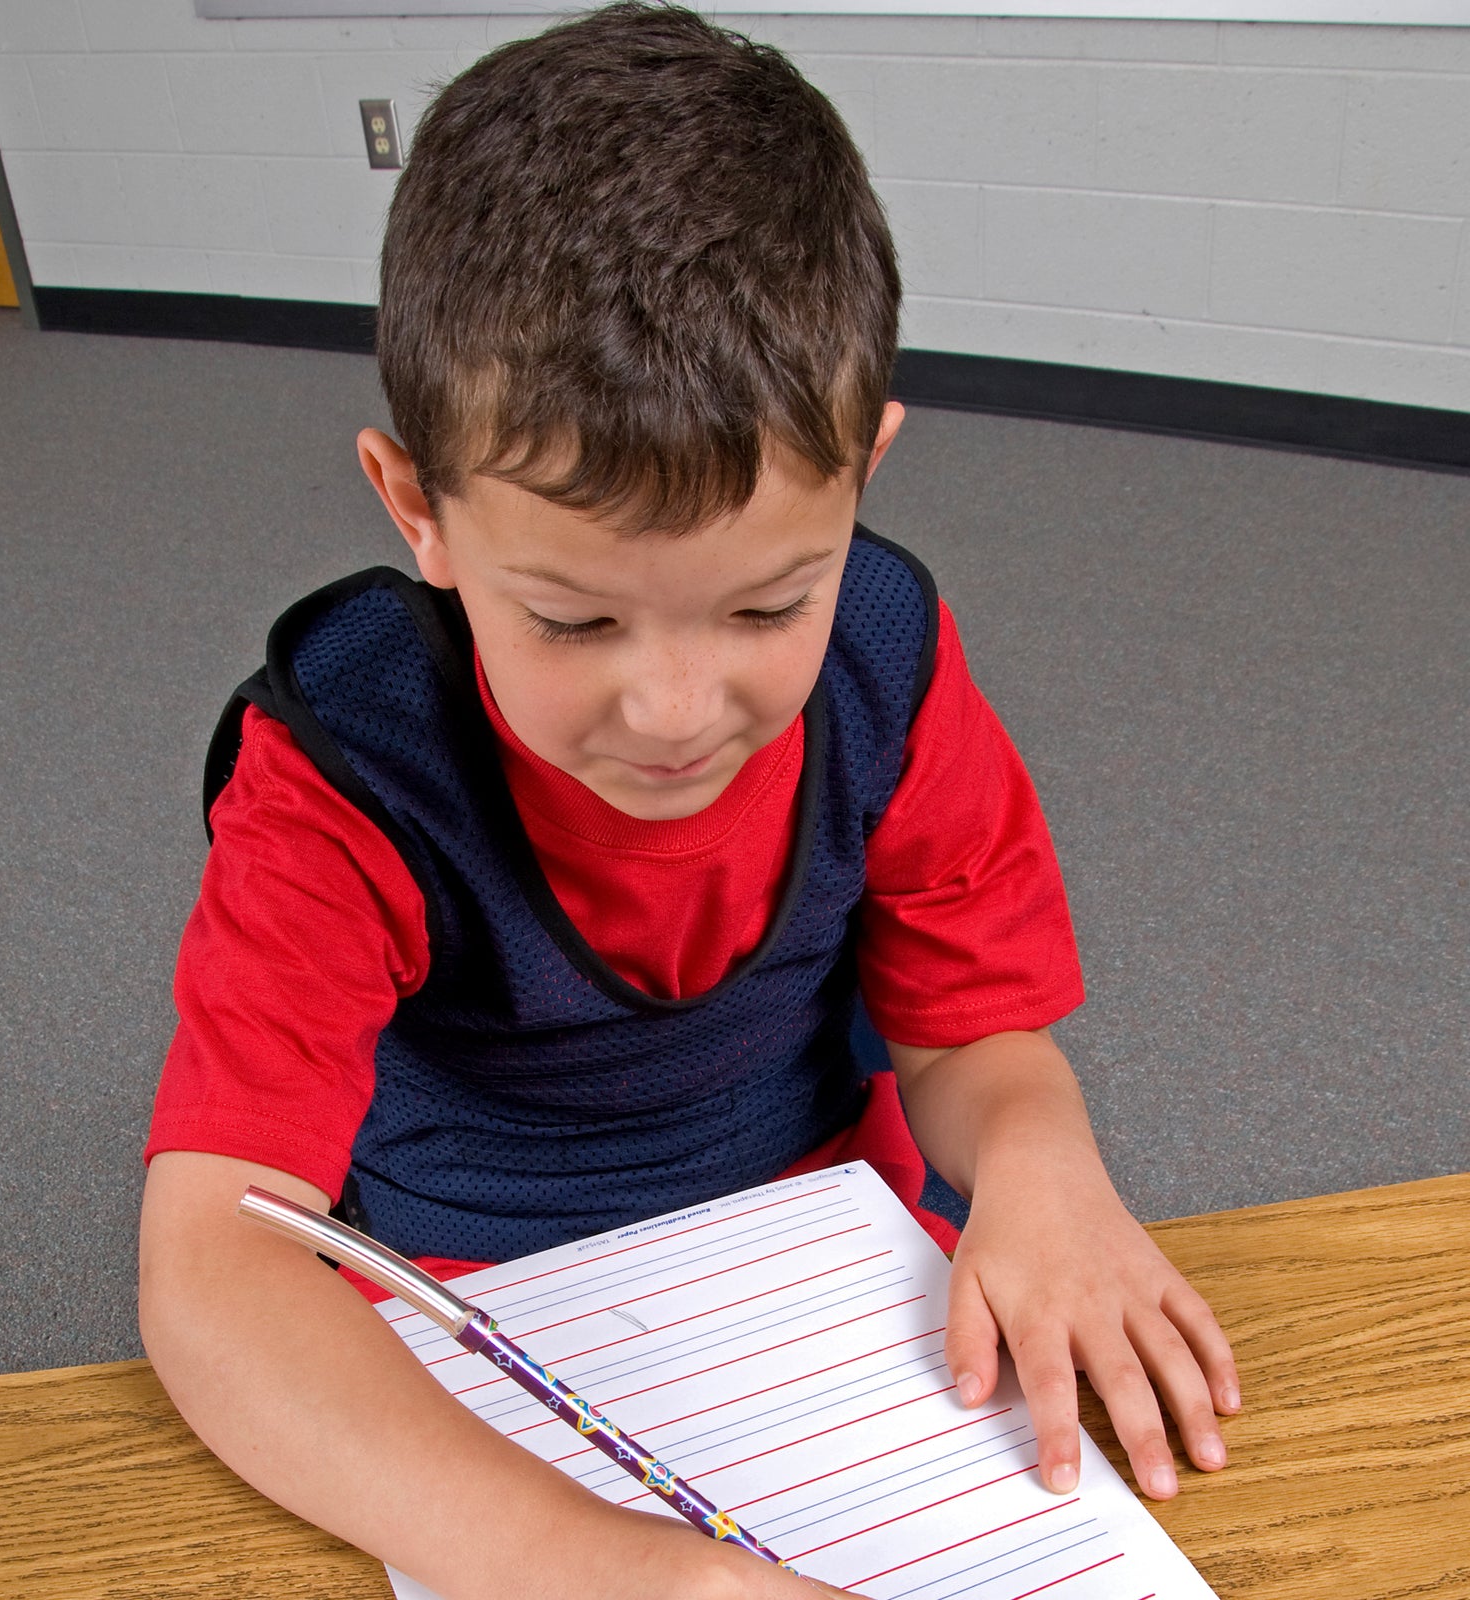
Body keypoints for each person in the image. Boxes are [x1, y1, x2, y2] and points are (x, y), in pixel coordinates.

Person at [138, 6, 1240, 1597]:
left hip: (835, 1275)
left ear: (865, 473)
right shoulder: (347, 767)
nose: (671, 714)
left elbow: (969, 1039)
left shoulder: (888, 670)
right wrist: (621, 1574)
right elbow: (212, 1265)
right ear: (415, 508)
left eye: (765, 605)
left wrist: (1045, 1165)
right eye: (574, 622)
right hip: (483, 1305)